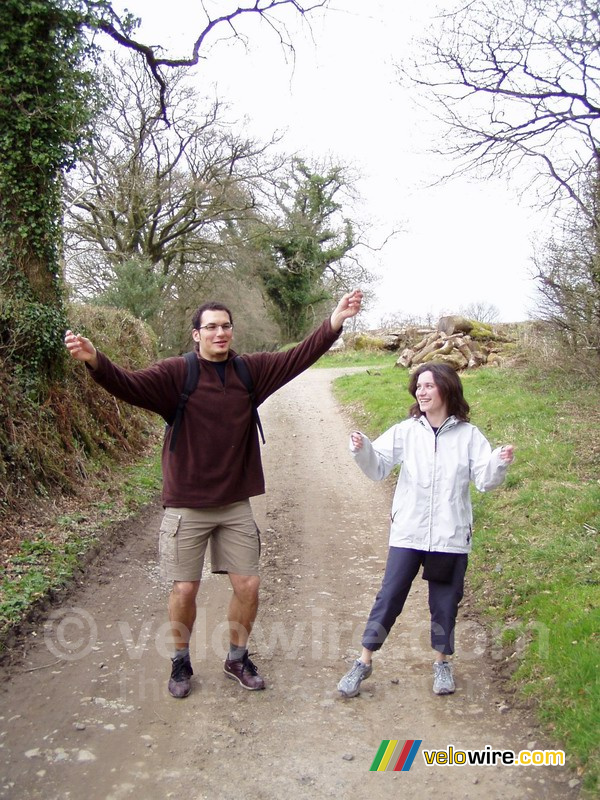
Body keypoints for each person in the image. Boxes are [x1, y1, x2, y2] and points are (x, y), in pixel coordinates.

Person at [65, 289, 363, 698]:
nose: (220, 333)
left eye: (225, 326)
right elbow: (129, 385)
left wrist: (334, 322)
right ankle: (180, 661)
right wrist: (96, 361)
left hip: (234, 505)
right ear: (196, 335)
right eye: (211, 327)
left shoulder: (249, 372)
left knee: (249, 586)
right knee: (185, 589)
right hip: (187, 505)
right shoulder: (176, 374)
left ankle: (237, 658)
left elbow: (298, 358)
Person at [337, 361, 514, 698]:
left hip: (449, 536)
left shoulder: (468, 436)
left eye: (429, 385)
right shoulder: (407, 431)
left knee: (444, 602)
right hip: (409, 532)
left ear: (446, 388)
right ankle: (363, 661)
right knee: (389, 597)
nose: (421, 391)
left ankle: (442, 663)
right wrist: (363, 449)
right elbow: (378, 468)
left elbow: (485, 480)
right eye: (418, 386)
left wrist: (498, 463)